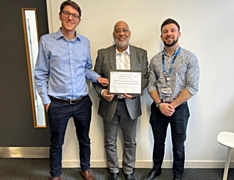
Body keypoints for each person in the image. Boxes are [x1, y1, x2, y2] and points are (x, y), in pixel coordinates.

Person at [34, 1, 108, 180]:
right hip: (57, 104)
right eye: (66, 13)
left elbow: (86, 69)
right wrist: (46, 102)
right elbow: (40, 73)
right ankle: (56, 174)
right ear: (60, 15)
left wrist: (97, 78)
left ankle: (86, 169)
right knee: (56, 142)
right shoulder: (47, 41)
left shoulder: (84, 43)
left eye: (74, 15)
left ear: (79, 20)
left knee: (84, 139)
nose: (70, 18)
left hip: (82, 102)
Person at [92, 21, 149, 180]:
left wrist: (135, 93)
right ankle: (113, 171)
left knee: (130, 141)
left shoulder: (141, 53)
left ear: (129, 33)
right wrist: (103, 92)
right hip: (110, 104)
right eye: (118, 31)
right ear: (113, 35)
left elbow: (145, 78)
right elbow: (96, 79)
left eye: (124, 31)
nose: (121, 34)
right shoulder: (103, 54)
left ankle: (129, 170)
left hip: (131, 105)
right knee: (109, 141)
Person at [145, 18, 200, 180]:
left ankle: (178, 174)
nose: (169, 34)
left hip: (180, 109)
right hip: (158, 107)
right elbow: (151, 85)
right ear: (161, 36)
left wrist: (173, 105)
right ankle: (156, 169)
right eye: (165, 31)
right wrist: (160, 104)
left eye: (172, 30)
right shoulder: (155, 60)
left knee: (178, 145)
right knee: (158, 142)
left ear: (179, 34)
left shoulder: (190, 58)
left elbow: (192, 86)